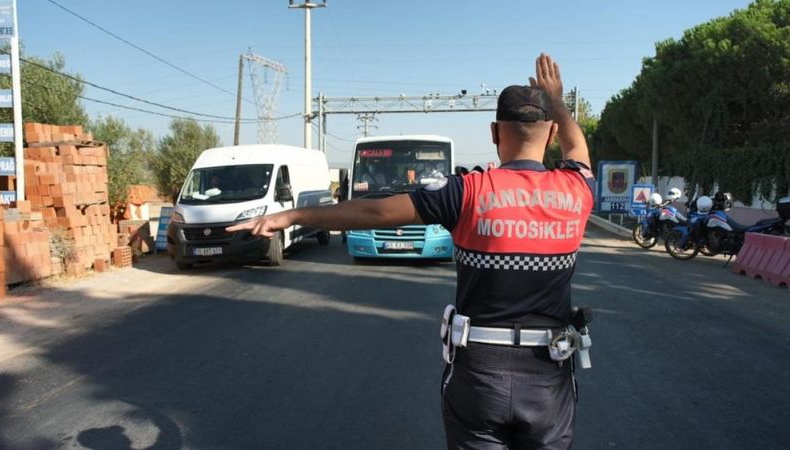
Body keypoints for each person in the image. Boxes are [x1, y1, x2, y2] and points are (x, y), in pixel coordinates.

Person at [227, 53, 594, 449]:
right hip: (548, 376)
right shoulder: (576, 188)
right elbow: (578, 150)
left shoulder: (467, 190)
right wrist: (557, 100)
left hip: (479, 374)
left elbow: (375, 210)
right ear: (552, 133)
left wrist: (290, 216)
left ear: (493, 132)